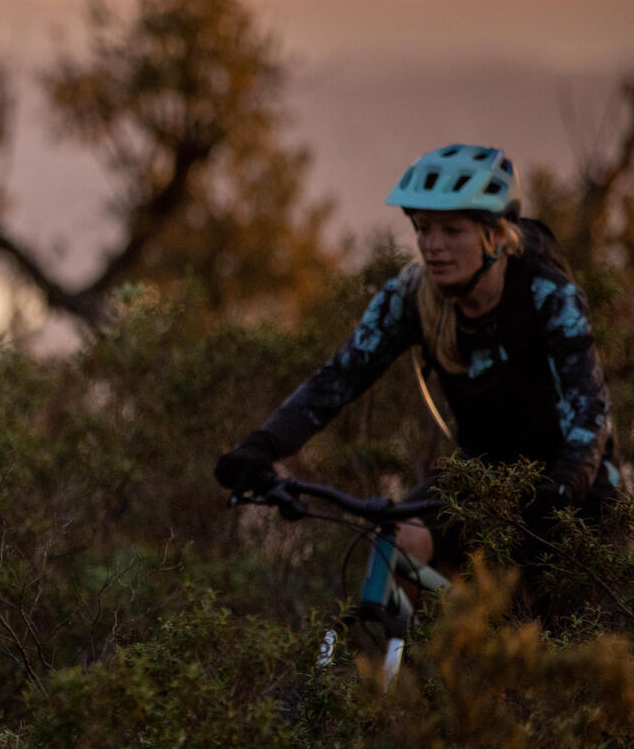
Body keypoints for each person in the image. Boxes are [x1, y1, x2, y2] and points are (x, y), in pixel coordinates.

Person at [215, 144, 622, 605]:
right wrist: (262, 446)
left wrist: (563, 488)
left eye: (452, 230)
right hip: (482, 476)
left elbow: (590, 410)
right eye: (423, 229)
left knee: (566, 642)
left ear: (496, 235)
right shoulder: (410, 296)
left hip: (574, 491)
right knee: (398, 542)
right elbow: (338, 378)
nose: (433, 245)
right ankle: (410, 671)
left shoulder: (547, 293)